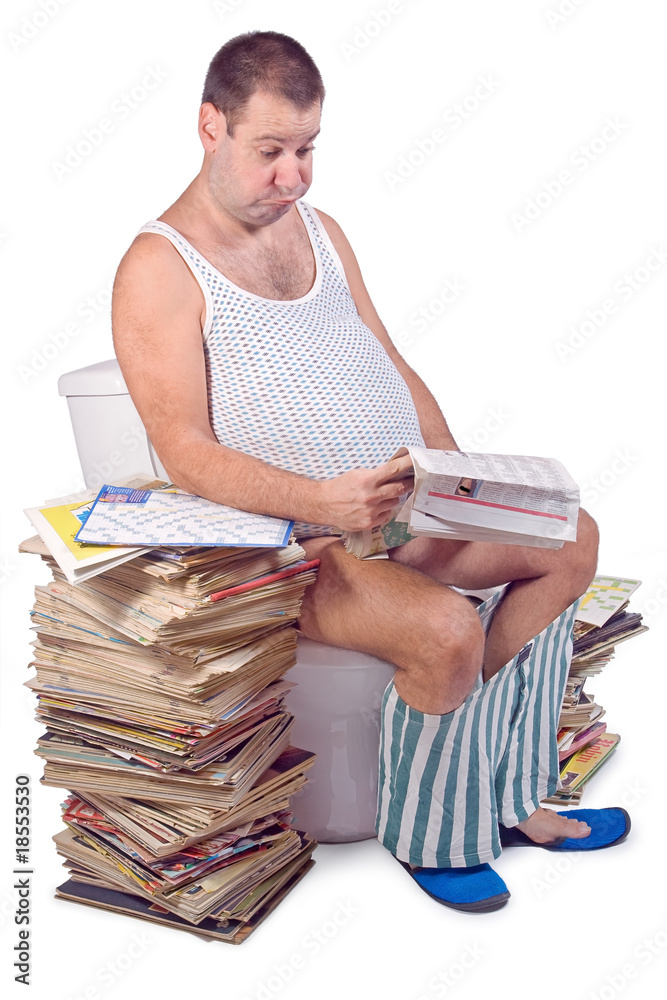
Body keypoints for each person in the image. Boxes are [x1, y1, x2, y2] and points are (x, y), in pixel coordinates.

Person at [111, 31, 630, 912]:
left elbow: (388, 361)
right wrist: (320, 500)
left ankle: (507, 797)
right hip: (294, 546)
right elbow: (184, 451)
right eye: (270, 151)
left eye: (307, 149)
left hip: (396, 512)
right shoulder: (157, 267)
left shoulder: (321, 229)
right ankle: (431, 834)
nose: (294, 177)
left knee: (568, 538)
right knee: (441, 631)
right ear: (210, 127)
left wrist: (460, 477)